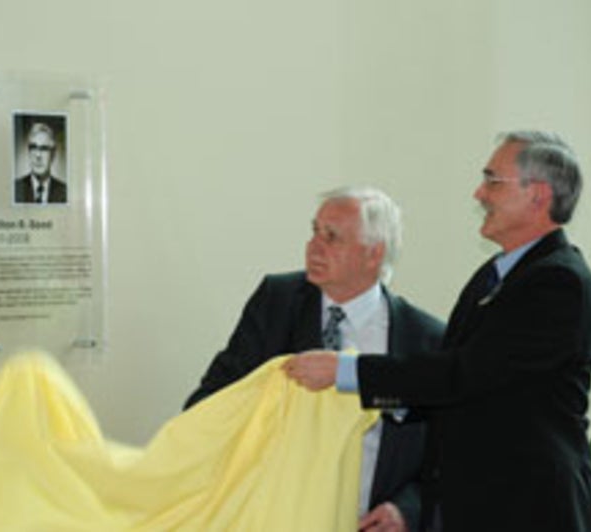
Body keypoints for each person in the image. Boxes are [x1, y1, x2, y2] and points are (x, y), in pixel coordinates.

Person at [285, 131, 591, 531]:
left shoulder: (558, 282)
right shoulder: (495, 277)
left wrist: (347, 372)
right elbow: (455, 387)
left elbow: (463, 374)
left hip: (530, 507)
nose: (479, 194)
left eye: (493, 181)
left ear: (537, 195)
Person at [184, 186, 446, 531]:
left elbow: (448, 455)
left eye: (332, 237)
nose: (314, 246)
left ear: (373, 254)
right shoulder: (276, 302)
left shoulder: (424, 338)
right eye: (314, 231)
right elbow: (214, 396)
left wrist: (408, 510)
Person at [14, 121, 67, 204]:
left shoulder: (65, 192)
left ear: (53, 154)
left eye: (44, 148)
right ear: (29, 152)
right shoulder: (15, 189)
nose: (38, 155)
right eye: (33, 148)